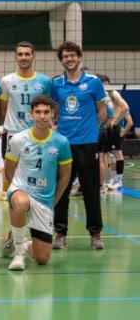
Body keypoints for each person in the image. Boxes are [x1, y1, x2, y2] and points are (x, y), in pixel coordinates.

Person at [2, 95, 72, 270]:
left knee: (42, 258)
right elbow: (9, 170)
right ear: (31, 114)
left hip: (44, 199)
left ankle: (22, 241)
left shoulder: (61, 142)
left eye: (46, 112)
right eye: (38, 112)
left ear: (52, 114)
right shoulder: (18, 139)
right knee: (21, 203)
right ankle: (18, 254)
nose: (42, 116)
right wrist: (14, 190)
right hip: (21, 189)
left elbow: (65, 177)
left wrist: (53, 201)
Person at [51, 41, 106, 250]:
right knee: (62, 190)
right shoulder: (56, 84)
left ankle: (95, 233)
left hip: (87, 144)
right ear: (62, 60)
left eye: (72, 55)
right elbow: (53, 109)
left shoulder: (93, 82)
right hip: (64, 145)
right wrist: (55, 127)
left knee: (91, 190)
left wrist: (92, 128)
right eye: (65, 56)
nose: (69, 59)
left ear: (79, 57)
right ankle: (60, 234)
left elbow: (101, 110)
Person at [0, 41, 51, 200]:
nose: (23, 57)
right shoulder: (7, 80)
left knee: (36, 167)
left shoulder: (44, 81)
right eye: (20, 54)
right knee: (9, 167)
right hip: (13, 132)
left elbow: (48, 107)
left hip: (36, 133)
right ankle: (6, 194)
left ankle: (35, 194)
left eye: (27, 54)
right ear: (15, 57)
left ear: (33, 56)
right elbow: (3, 108)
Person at [98, 75, 131, 191]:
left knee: (116, 153)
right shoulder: (104, 95)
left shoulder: (113, 92)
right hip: (108, 127)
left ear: (106, 83)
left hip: (114, 127)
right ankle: (112, 179)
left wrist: (115, 121)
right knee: (108, 154)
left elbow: (126, 108)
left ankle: (118, 180)